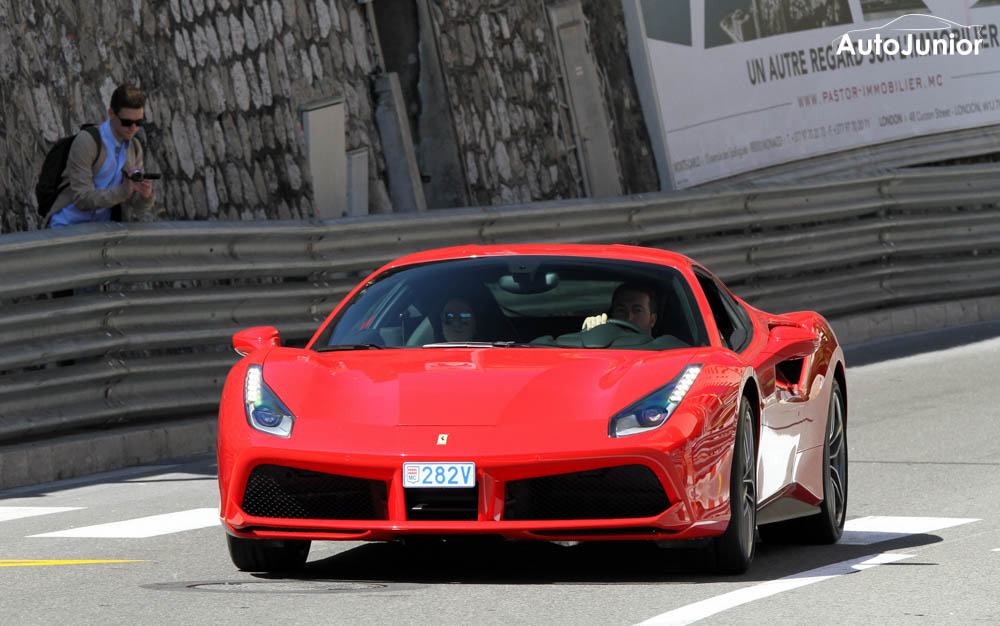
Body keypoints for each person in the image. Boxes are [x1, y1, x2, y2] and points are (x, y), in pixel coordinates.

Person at [47, 83, 156, 228]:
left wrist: (145, 195)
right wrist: (122, 191)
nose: (133, 128)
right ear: (111, 114)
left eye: (139, 122)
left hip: (101, 231)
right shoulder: (88, 141)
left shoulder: (134, 147)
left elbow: (135, 204)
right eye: (127, 122)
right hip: (67, 226)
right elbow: (82, 198)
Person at [582, 283, 659, 335]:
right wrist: (590, 334)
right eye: (621, 310)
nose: (629, 318)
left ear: (652, 320)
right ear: (612, 314)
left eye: (637, 310)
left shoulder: (664, 351)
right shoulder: (603, 345)